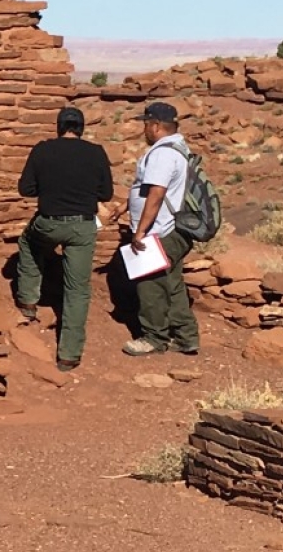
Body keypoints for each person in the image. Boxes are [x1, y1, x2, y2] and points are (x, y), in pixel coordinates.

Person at [15, 106, 115, 372]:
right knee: (78, 289)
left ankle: (27, 301)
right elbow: (105, 194)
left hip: (48, 223)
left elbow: (25, 189)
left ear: (59, 127)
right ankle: (69, 355)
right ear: (81, 129)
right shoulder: (96, 153)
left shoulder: (42, 150)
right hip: (82, 227)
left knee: (28, 243)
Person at [116, 101, 201, 357]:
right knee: (172, 285)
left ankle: (154, 338)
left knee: (150, 285)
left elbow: (156, 193)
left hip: (159, 232)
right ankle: (187, 337)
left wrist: (139, 232)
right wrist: (126, 205)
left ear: (155, 125)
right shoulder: (179, 148)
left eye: (145, 124)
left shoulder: (162, 154)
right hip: (174, 230)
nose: (144, 129)